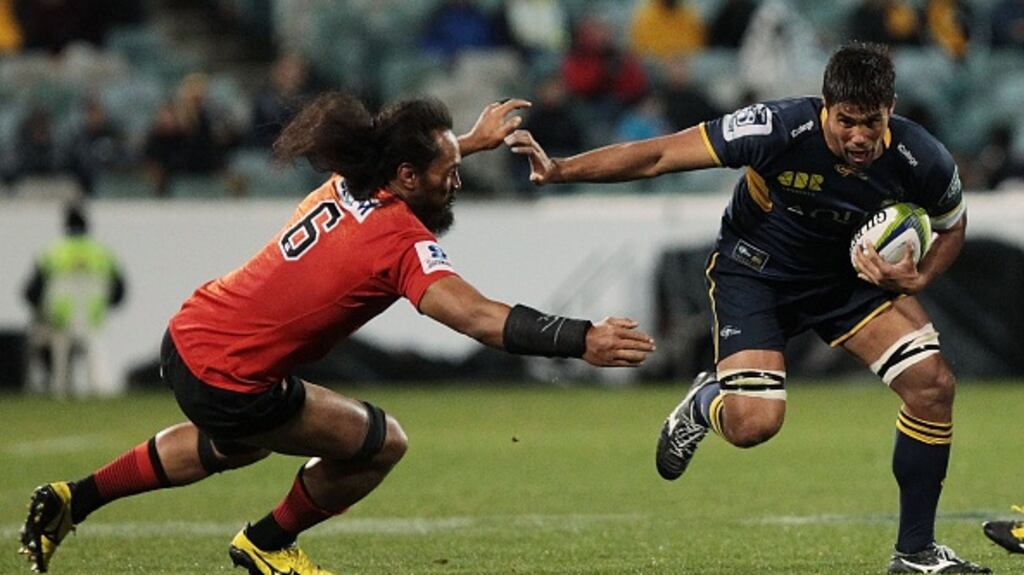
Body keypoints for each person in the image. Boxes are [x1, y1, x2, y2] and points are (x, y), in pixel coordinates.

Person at [18, 94, 655, 575]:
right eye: (449, 168)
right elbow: (479, 318)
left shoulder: (349, 182)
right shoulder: (398, 240)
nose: (455, 178)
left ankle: (73, 498)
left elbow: (420, 164)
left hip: (189, 335)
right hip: (232, 377)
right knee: (380, 442)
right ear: (407, 175)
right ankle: (266, 546)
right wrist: (582, 338)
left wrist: (473, 140)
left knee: (236, 446)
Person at [506, 42, 988, 573]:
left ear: (889, 110)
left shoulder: (921, 157)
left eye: (870, 123)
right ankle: (706, 401)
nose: (858, 136)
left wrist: (919, 275)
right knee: (754, 425)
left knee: (932, 385)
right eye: (846, 121)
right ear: (825, 105)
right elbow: (662, 154)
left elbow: (952, 225)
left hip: (848, 281)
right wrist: (560, 171)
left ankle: (915, 552)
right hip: (756, 274)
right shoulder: (775, 128)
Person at [22, 203, 126, 398]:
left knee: (54, 348)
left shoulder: (51, 252)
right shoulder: (103, 253)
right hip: (93, 318)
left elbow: (30, 292)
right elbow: (120, 290)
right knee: (95, 349)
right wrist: (101, 307)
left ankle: (59, 387)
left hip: (59, 318)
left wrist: (44, 312)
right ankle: (101, 389)